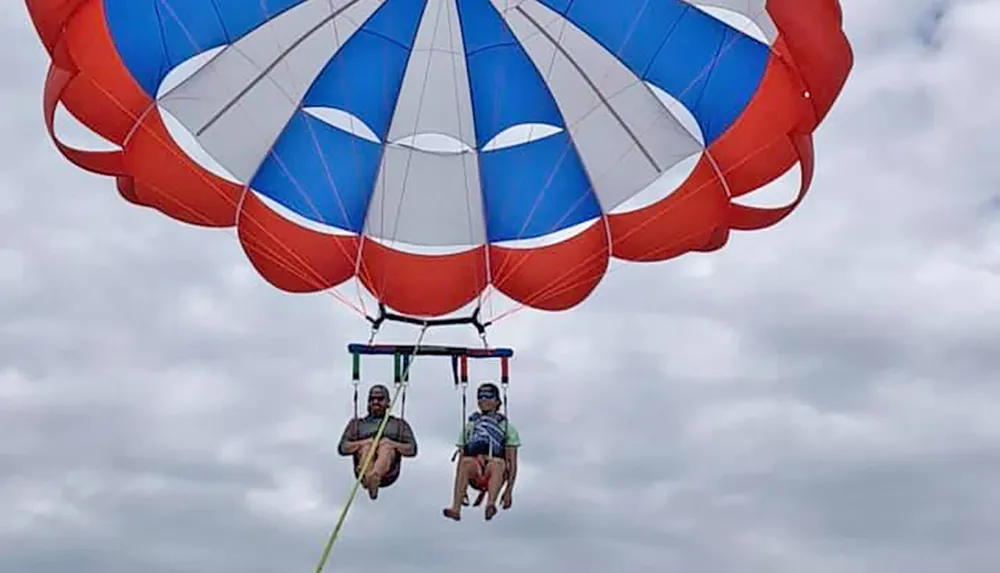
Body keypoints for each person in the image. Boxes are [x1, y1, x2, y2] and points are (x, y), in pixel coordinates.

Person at [443, 382, 520, 521]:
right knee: (466, 463)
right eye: (480, 397)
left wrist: (509, 491)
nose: (483, 400)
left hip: (495, 469)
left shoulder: (507, 428)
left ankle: (491, 504)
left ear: (497, 401)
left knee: (497, 464)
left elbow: (512, 463)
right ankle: (456, 507)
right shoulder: (471, 426)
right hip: (475, 468)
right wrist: (462, 488)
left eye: (488, 396)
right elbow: (461, 458)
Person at [337, 384, 417, 500]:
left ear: (388, 402)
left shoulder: (398, 425)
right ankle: (368, 475)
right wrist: (363, 443)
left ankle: (374, 476)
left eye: (380, 399)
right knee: (367, 447)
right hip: (364, 455)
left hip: (388, 468)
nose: (375, 402)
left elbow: (412, 449)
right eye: (372, 399)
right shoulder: (357, 424)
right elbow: (343, 448)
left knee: (386, 446)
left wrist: (392, 444)